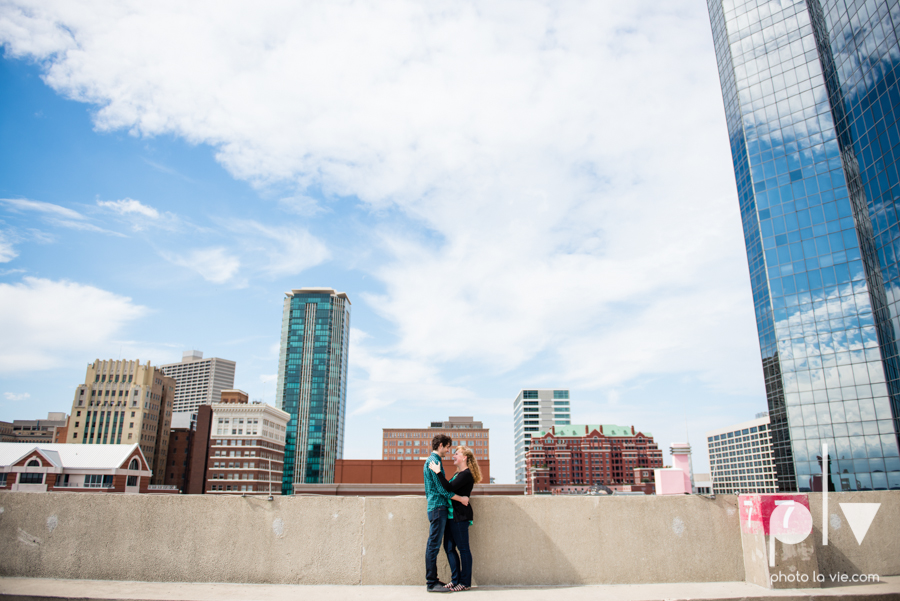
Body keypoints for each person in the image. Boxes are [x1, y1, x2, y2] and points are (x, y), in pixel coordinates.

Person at [429, 445, 481, 591]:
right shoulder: (458, 473)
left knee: (463, 549)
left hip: (460, 517)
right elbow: (449, 490)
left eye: (456, 453)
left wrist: (438, 472)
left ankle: (464, 583)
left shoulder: (466, 474)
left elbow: (448, 488)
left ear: (464, 457)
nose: (453, 455)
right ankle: (455, 579)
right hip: (451, 516)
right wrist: (460, 498)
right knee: (449, 547)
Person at [423, 434, 469, 593]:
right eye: (448, 447)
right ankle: (431, 582)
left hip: (436, 507)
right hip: (438, 508)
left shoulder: (432, 460)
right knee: (433, 546)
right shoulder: (434, 461)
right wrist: (460, 498)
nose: (449, 451)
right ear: (441, 445)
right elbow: (443, 490)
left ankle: (434, 580)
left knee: (434, 545)